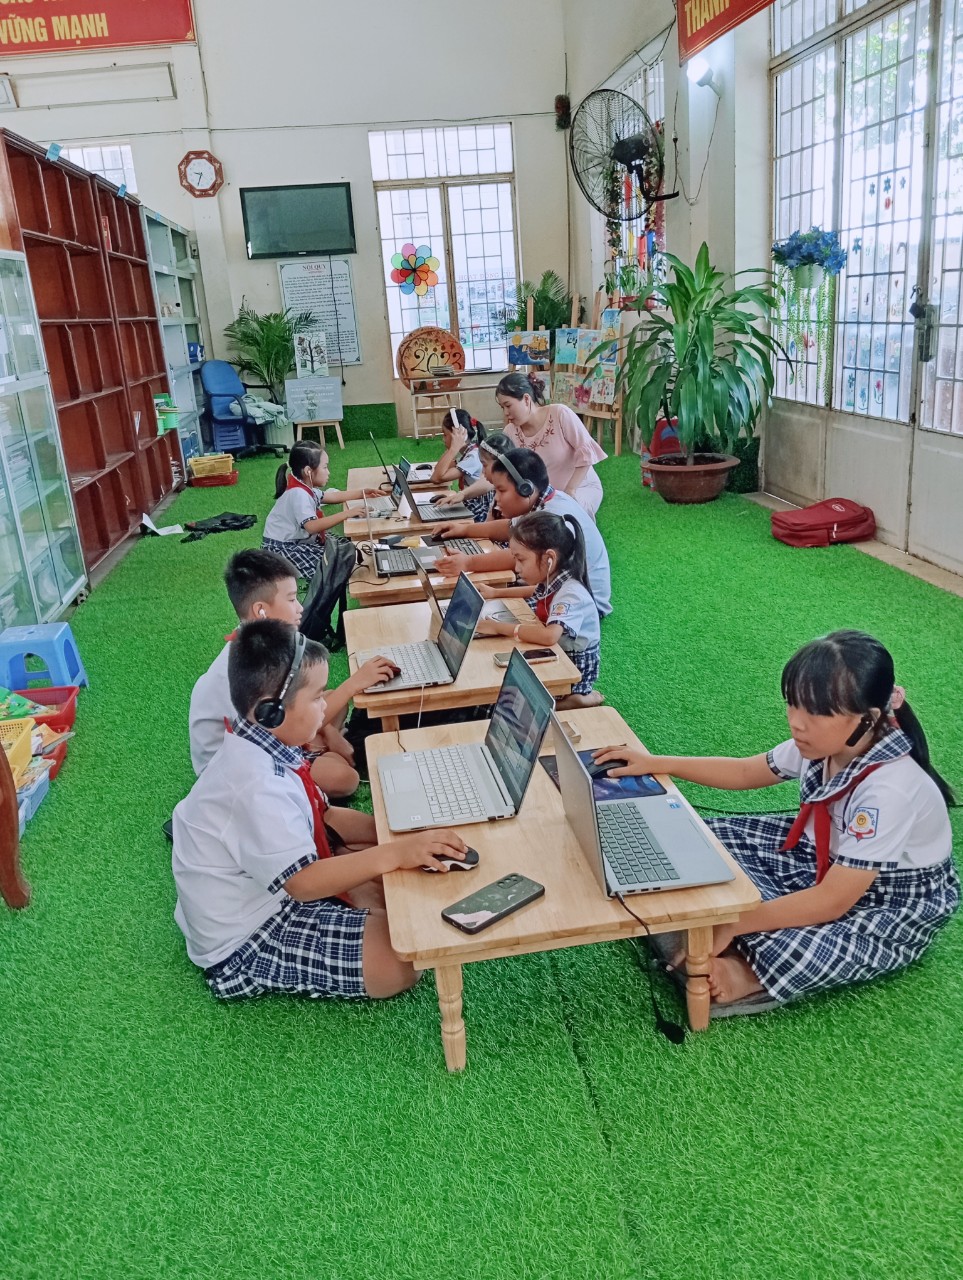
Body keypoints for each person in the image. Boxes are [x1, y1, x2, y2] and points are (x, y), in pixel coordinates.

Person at [592, 631, 960, 1010]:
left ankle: (745, 973)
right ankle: (728, 932)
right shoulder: (826, 743)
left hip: (888, 899)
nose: (797, 723)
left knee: (824, 945)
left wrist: (738, 920)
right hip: (819, 856)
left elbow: (833, 901)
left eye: (816, 712)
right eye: (793, 704)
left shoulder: (889, 791)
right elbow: (745, 772)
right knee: (702, 838)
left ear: (868, 720)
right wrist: (656, 762)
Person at [174, 620, 469, 1001]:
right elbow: (303, 883)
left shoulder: (266, 744)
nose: (325, 707)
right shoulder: (256, 786)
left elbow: (326, 816)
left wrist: (397, 835)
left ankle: (365, 901)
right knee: (402, 961)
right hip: (249, 937)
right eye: (316, 699)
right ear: (272, 712)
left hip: (271, 890)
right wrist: (395, 852)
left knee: (394, 893)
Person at [189, 549, 396, 798]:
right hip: (238, 771)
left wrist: (330, 733)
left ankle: (324, 743)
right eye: (291, 599)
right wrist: (354, 684)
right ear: (261, 610)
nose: (300, 608)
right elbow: (279, 726)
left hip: (272, 732)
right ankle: (322, 749)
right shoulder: (251, 666)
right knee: (345, 778)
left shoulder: (259, 644)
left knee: (329, 701)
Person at [433, 446, 612, 615]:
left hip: (580, 604)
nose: (497, 498)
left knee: (483, 613)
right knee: (480, 608)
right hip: (555, 589)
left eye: (501, 490)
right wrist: (463, 529)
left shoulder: (551, 515)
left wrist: (468, 562)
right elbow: (508, 527)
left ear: (525, 489)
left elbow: (517, 557)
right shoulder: (544, 500)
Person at [475, 512, 601, 709]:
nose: (516, 568)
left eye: (521, 560)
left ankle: (576, 699)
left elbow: (550, 636)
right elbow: (534, 590)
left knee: (510, 705)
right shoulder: (555, 577)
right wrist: (495, 592)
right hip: (555, 652)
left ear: (549, 559)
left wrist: (500, 627)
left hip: (572, 667)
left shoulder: (572, 594)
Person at [496, 370, 606, 518]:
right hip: (545, 498)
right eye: (502, 408)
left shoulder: (560, 414)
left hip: (580, 488)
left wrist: (570, 491)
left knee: (561, 516)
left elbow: (586, 452)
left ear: (527, 399)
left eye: (508, 405)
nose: (505, 413)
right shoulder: (510, 432)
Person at [262, 441, 379, 579]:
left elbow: (332, 497)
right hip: (282, 548)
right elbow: (312, 527)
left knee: (342, 548)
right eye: (325, 467)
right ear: (308, 471)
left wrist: (362, 493)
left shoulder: (303, 486)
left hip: (298, 540)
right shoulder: (298, 494)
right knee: (333, 566)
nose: (328, 472)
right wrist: (347, 514)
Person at [428, 409, 490, 522]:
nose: (443, 439)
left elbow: (436, 478)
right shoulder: (468, 451)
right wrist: (452, 449)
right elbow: (438, 471)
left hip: (477, 512)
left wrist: (453, 448)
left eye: (445, 434)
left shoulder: (473, 456)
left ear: (458, 435)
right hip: (469, 504)